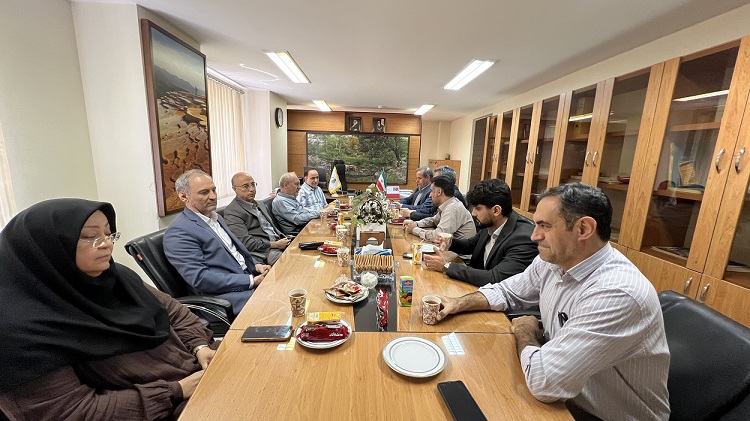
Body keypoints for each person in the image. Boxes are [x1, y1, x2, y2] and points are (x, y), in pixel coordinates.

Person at [432, 183, 670, 420]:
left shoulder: (617, 293)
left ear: (584, 228)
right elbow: (506, 291)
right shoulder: (554, 261)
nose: (534, 236)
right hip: (564, 396)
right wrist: (458, 303)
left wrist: (525, 332)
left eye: (544, 226)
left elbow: (544, 381)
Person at [0, 198, 215, 420]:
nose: (107, 244)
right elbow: (73, 412)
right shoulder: (18, 329)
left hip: (195, 376)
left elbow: (175, 311)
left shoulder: (114, 276)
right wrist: (175, 391)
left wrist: (200, 347)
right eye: (90, 236)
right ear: (47, 248)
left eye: (109, 233)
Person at [164, 170, 271, 316]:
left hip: (246, 280)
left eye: (213, 190)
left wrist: (256, 265)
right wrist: (250, 280)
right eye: (204, 192)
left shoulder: (216, 218)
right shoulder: (178, 232)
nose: (213, 196)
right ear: (183, 196)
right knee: (279, 302)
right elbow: (201, 279)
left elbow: (234, 252)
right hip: (223, 299)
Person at [422, 178, 538, 286]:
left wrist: (447, 266)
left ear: (496, 210)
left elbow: (495, 278)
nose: (473, 213)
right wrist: (449, 242)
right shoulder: (491, 223)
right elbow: (470, 245)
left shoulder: (523, 239)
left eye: (478, 208)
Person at [224, 172, 290, 265]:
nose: (252, 189)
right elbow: (245, 242)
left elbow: (272, 228)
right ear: (235, 189)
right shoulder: (232, 211)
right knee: (295, 263)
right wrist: (275, 244)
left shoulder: (259, 204)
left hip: (281, 241)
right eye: (246, 186)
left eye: (253, 184)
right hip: (266, 252)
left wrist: (285, 240)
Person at [404, 174, 476, 243]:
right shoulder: (448, 204)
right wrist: (416, 223)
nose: (430, 195)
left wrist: (414, 230)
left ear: (439, 192)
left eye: (431, 191)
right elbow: (434, 220)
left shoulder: (453, 208)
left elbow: (438, 236)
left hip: (457, 251)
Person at [401, 165, 467, 221]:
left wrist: (411, 214)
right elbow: (431, 211)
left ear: (445, 180)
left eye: (435, 179)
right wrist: (412, 212)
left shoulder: (452, 195)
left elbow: (433, 216)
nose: (432, 181)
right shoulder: (444, 191)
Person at [272, 172, 321, 236]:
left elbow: (304, 211)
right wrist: (319, 213)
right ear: (286, 185)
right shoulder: (280, 201)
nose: (299, 187)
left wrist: (321, 212)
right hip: (298, 234)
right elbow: (297, 219)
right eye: (296, 184)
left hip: (306, 228)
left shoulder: (290, 198)